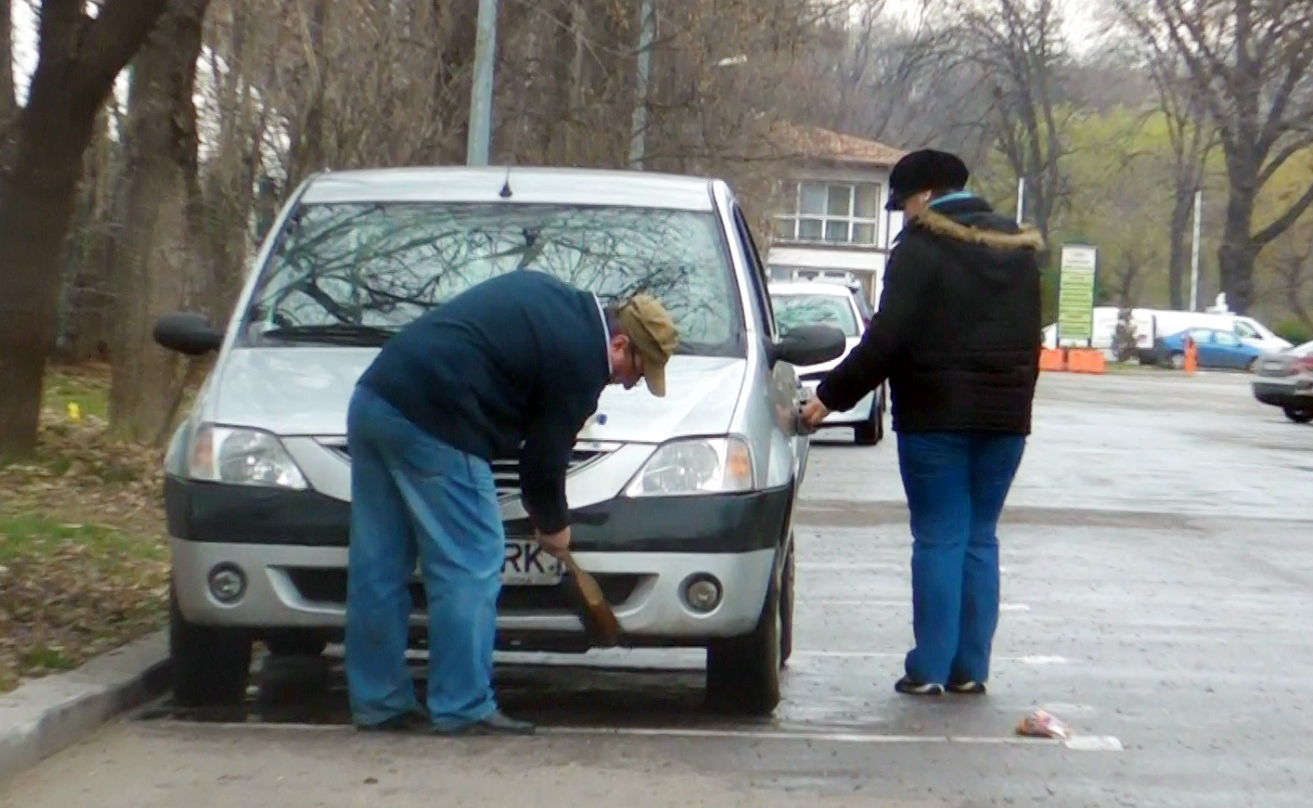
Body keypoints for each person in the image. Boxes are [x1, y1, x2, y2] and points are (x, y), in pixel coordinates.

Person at [344, 270, 678, 734]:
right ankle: (463, 706)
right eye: (637, 372)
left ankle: (378, 701)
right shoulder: (582, 360)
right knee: (473, 562)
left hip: (375, 399)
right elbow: (544, 459)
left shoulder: (563, 306)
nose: (629, 384)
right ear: (620, 345)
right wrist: (553, 524)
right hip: (440, 421)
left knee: (379, 566)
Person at [800, 149, 1043, 697]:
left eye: (904, 203)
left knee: (938, 536)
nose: (903, 214)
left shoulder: (922, 248)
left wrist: (829, 398)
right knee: (980, 538)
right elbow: (1033, 344)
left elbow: (887, 339)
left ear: (927, 196)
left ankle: (929, 667)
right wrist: (1016, 406)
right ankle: (970, 668)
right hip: (1006, 423)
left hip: (936, 419)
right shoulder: (1019, 251)